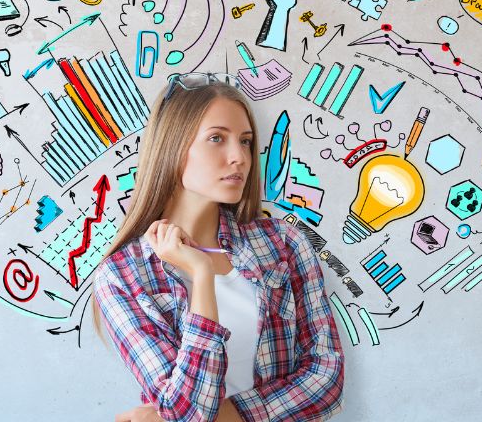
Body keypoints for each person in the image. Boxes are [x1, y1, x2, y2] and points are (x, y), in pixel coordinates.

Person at [92, 72, 345, 422]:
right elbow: (188, 412)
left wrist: (231, 417)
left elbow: (326, 379)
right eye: (216, 138)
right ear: (173, 146)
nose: (239, 157)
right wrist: (200, 274)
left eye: (244, 141)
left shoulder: (283, 243)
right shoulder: (122, 276)